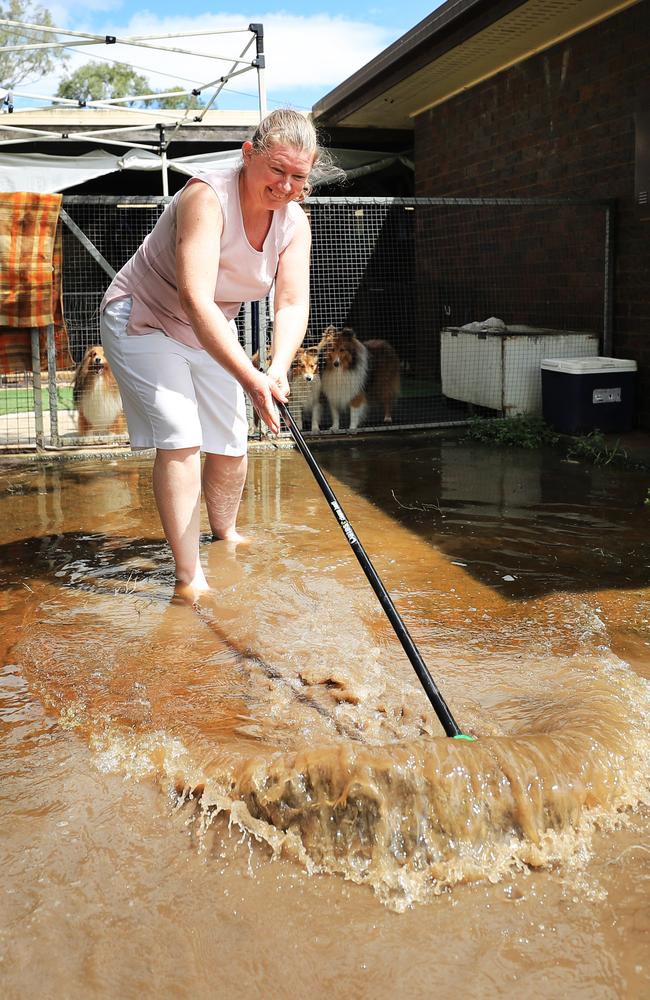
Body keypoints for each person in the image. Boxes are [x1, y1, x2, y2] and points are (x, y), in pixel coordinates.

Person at [100, 108, 320, 597]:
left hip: (212, 325)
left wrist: (277, 369)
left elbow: (290, 302)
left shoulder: (294, 223)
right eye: (277, 170)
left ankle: (226, 533)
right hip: (147, 314)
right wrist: (249, 376)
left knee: (231, 436)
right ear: (249, 155)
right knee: (181, 435)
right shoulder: (207, 195)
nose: (286, 186)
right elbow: (193, 297)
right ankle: (189, 576)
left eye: (298, 177)